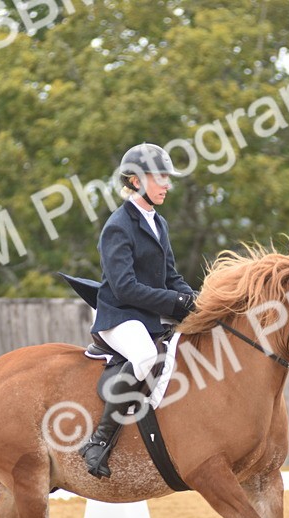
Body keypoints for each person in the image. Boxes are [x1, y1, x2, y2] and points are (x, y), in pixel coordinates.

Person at [78, 143, 197, 478]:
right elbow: (125, 287)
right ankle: (99, 441)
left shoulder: (159, 222)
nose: (167, 185)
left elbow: (170, 275)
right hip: (119, 316)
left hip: (149, 314)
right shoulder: (119, 226)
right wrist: (174, 303)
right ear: (135, 180)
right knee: (146, 355)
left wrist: (193, 300)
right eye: (160, 177)